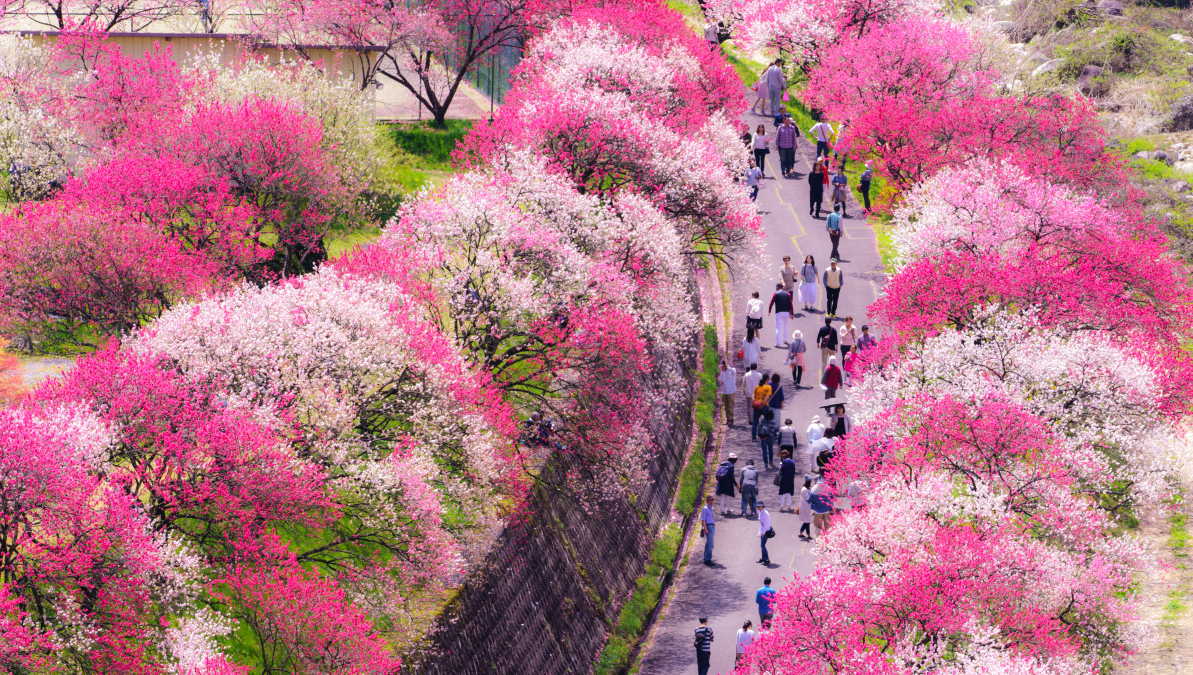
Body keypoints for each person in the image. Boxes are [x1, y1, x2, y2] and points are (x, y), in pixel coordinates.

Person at [768, 283, 794, 348]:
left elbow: (771, 303)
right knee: (785, 326)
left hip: (778, 312)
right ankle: (785, 340)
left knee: (778, 328)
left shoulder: (775, 294)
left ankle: (778, 343)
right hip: (786, 312)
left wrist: (769, 311)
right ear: (783, 287)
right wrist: (792, 313)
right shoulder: (788, 294)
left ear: (777, 288)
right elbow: (791, 304)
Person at [750, 372, 771, 442]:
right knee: (766, 421)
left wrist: (755, 401)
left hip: (757, 406)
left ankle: (753, 437)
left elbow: (753, 396)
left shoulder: (757, 387)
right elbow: (767, 396)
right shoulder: (768, 387)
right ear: (767, 379)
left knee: (755, 421)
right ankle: (765, 435)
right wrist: (763, 403)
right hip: (764, 406)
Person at [718, 360, 737, 426]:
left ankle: (731, 420)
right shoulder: (724, 371)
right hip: (725, 391)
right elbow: (721, 379)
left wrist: (727, 366)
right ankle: (728, 419)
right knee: (726, 406)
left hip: (731, 391)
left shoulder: (732, 370)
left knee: (730, 406)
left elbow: (733, 371)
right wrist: (723, 370)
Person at [700, 496, 716, 565]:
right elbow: (703, 519)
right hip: (709, 527)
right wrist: (705, 529)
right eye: (709, 500)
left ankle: (706, 558)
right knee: (711, 544)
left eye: (712, 500)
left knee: (708, 544)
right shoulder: (705, 509)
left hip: (712, 526)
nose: (711, 501)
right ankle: (708, 559)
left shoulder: (711, 508)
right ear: (706, 501)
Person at [757, 500, 772, 565]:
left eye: (760, 506)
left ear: (762, 506)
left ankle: (767, 559)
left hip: (765, 531)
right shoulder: (760, 512)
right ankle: (763, 558)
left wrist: (763, 532)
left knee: (762, 545)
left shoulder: (765, 513)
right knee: (762, 545)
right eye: (757, 506)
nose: (758, 507)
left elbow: (766, 524)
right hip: (763, 530)